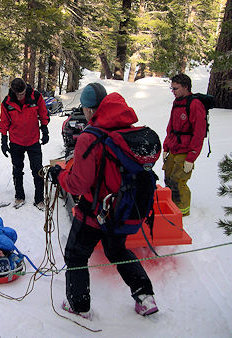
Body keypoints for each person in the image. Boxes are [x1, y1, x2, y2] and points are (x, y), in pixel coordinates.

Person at [49, 83, 158, 318]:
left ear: (89, 109)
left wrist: (59, 176)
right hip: (122, 206)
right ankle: (145, 296)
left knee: (76, 254)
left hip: (95, 209)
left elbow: (79, 183)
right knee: (117, 250)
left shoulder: (90, 136)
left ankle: (78, 306)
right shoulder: (126, 128)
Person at [0, 78, 50, 210]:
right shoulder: (7, 102)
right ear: (14, 92)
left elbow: (43, 113)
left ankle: (39, 199)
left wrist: (45, 130)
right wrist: (3, 140)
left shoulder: (36, 96)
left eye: (23, 93)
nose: (21, 96)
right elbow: (4, 122)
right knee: (17, 170)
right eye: (19, 94)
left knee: (38, 170)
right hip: (16, 141)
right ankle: (19, 196)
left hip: (33, 140)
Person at [162, 73, 206, 216]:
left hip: (185, 150)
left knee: (178, 180)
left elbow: (199, 133)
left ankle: (182, 212)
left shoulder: (195, 105)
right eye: (172, 89)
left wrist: (191, 157)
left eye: (175, 88)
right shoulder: (177, 103)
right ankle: (171, 206)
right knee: (168, 177)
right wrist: (166, 147)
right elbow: (171, 128)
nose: (173, 92)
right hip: (174, 148)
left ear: (186, 87)